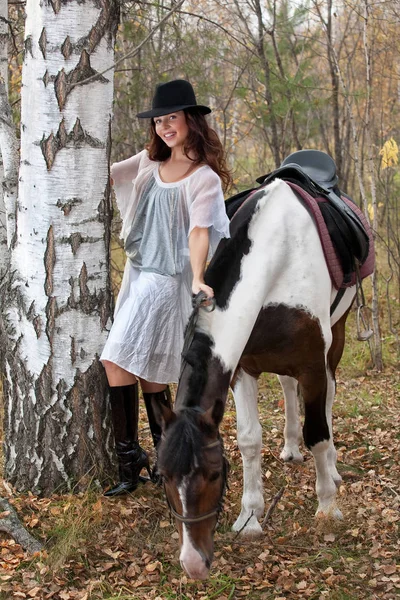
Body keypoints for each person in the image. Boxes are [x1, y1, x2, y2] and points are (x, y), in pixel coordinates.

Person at [101, 79, 232, 496]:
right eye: (158, 121)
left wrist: (197, 276)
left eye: (171, 118)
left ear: (190, 119)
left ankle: (129, 460)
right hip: (138, 277)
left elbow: (199, 232)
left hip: (166, 281)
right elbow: (105, 176)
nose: (163, 127)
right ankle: (165, 460)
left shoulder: (203, 179)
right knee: (152, 377)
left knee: (116, 361)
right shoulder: (147, 162)